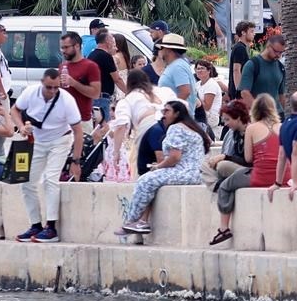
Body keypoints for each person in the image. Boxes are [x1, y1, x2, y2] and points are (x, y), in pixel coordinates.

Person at [12, 67, 86, 242]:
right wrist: (21, 127)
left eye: (55, 87)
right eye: (49, 87)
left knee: (50, 178)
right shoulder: (30, 93)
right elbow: (14, 110)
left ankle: (51, 227)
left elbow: (78, 131)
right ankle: (35, 224)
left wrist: (76, 160)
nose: (52, 91)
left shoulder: (67, 100)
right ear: (42, 84)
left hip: (60, 140)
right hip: (37, 141)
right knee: (27, 182)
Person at [117, 100, 206, 237]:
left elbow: (174, 157)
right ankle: (142, 221)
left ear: (177, 113)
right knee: (151, 181)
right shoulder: (192, 128)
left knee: (145, 180)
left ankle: (131, 220)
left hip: (184, 172)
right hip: (194, 173)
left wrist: (158, 166)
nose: (163, 114)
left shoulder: (176, 128)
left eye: (167, 111)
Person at [209, 95, 280, 245]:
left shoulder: (252, 128)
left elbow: (248, 159)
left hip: (260, 175)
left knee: (225, 186)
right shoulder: (281, 127)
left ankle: (223, 229)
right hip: (281, 176)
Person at [240, 33, 287, 104]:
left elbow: (281, 95)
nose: (278, 55)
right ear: (268, 46)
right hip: (258, 112)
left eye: (281, 52)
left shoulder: (280, 67)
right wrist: (259, 110)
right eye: (276, 51)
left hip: (276, 113)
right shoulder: (252, 65)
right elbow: (244, 92)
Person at [156, 33, 196, 107]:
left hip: (177, 117)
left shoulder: (178, 66)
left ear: (168, 50)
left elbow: (185, 91)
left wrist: (172, 110)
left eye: (161, 48)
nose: (159, 51)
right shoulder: (176, 65)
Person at [228, 21, 256, 94]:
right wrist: (239, 90)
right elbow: (236, 70)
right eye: (251, 31)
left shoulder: (241, 47)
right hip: (239, 93)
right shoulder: (240, 48)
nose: (254, 34)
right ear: (243, 33)